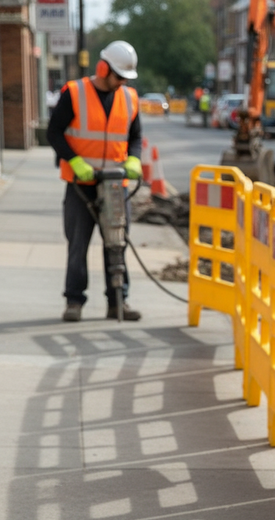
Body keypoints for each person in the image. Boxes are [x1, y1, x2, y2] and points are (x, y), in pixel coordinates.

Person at [47, 40, 143, 322]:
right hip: (81, 186)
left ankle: (118, 302)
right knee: (78, 245)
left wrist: (134, 159)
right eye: (119, 76)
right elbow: (54, 132)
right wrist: (74, 161)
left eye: (126, 77)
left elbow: (135, 136)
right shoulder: (74, 93)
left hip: (115, 186)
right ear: (103, 68)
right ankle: (74, 301)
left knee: (117, 244)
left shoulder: (129, 98)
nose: (123, 82)